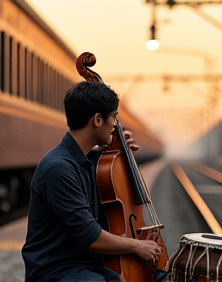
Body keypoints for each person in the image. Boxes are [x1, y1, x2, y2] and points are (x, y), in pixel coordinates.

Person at [22, 81, 167, 282]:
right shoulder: (58, 168)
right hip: (55, 270)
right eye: (114, 117)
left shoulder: (88, 161)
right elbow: (89, 235)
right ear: (98, 120)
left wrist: (119, 153)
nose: (115, 125)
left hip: (87, 265)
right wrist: (137, 245)